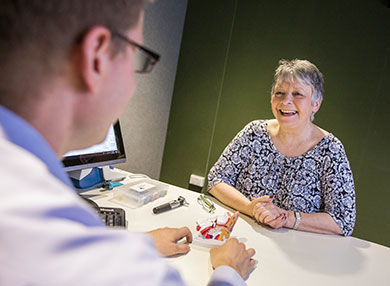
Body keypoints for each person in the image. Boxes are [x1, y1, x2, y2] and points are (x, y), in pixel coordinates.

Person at [0, 1, 255, 285]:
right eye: (136, 57)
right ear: (97, 57)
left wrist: (139, 242)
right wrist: (228, 272)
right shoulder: (106, 264)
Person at [208, 59, 356, 236]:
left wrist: (286, 217)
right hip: (241, 239)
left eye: (298, 94)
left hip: (298, 255)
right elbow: (216, 179)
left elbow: (342, 221)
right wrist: (251, 208)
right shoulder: (254, 132)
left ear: (316, 104)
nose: (286, 101)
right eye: (280, 92)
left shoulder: (331, 150)